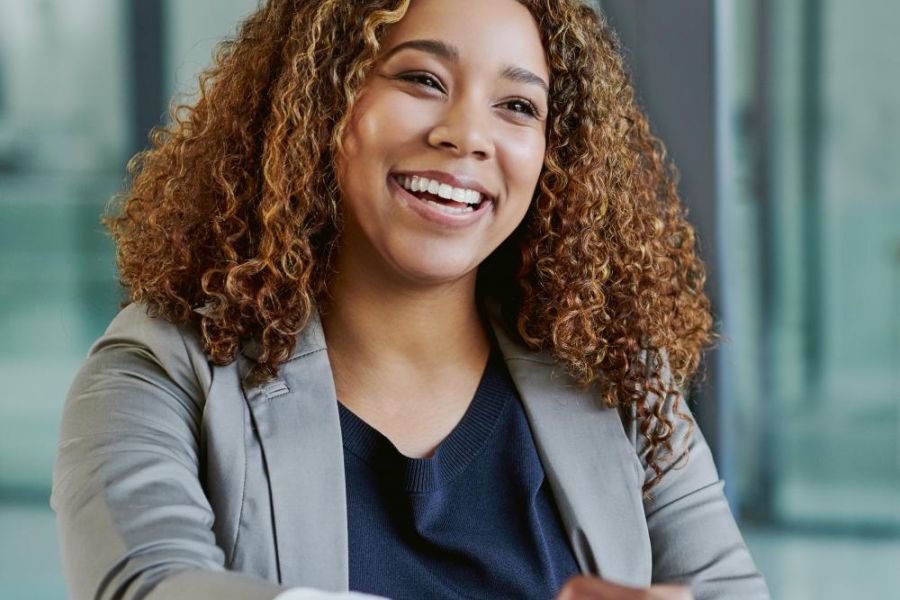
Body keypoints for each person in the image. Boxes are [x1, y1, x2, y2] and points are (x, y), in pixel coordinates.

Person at [51, 0, 771, 599]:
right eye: (422, 78)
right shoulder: (155, 375)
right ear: (323, 96)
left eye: (518, 105)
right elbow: (151, 586)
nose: (464, 135)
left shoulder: (619, 380)